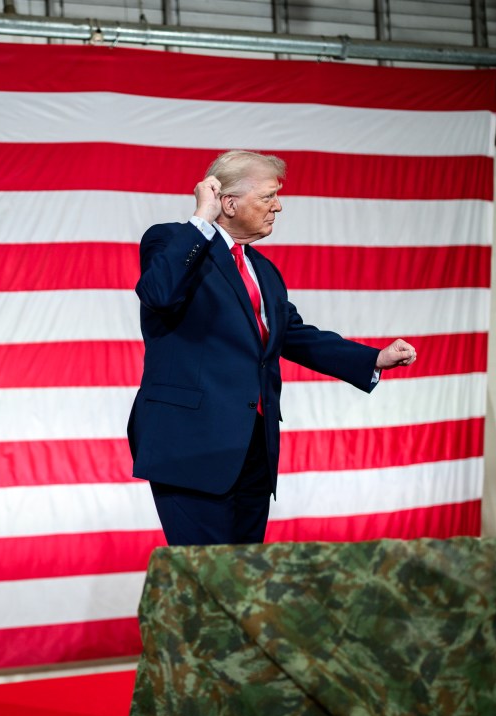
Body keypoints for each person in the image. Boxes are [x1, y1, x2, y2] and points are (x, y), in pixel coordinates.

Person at [127, 150, 417, 546]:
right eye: (267, 196)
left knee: (247, 581)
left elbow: (293, 335)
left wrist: (373, 358)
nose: (278, 206)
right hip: (190, 447)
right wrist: (202, 219)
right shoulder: (172, 241)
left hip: (252, 450)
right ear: (228, 203)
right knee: (207, 582)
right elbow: (158, 293)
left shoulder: (262, 269)